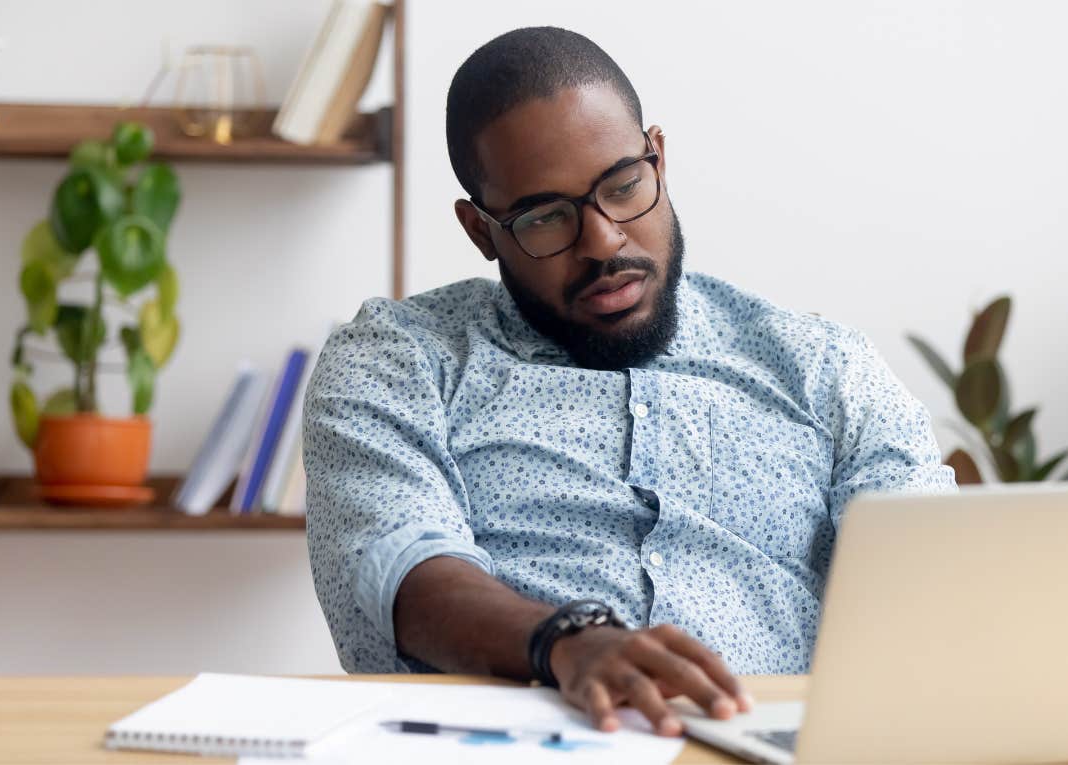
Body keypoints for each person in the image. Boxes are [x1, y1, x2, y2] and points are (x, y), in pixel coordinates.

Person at [303, 26, 955, 737]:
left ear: (659, 159)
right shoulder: (399, 360)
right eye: (546, 216)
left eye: (622, 186)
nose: (604, 240)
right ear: (481, 229)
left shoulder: (824, 366)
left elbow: (928, 568)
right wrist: (569, 641)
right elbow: (403, 566)